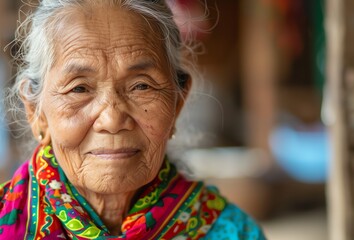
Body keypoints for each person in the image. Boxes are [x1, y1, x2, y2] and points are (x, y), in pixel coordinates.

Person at [0, 1, 266, 239]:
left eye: (141, 86)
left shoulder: (232, 232)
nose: (112, 119)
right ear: (36, 111)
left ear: (178, 103)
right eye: (79, 88)